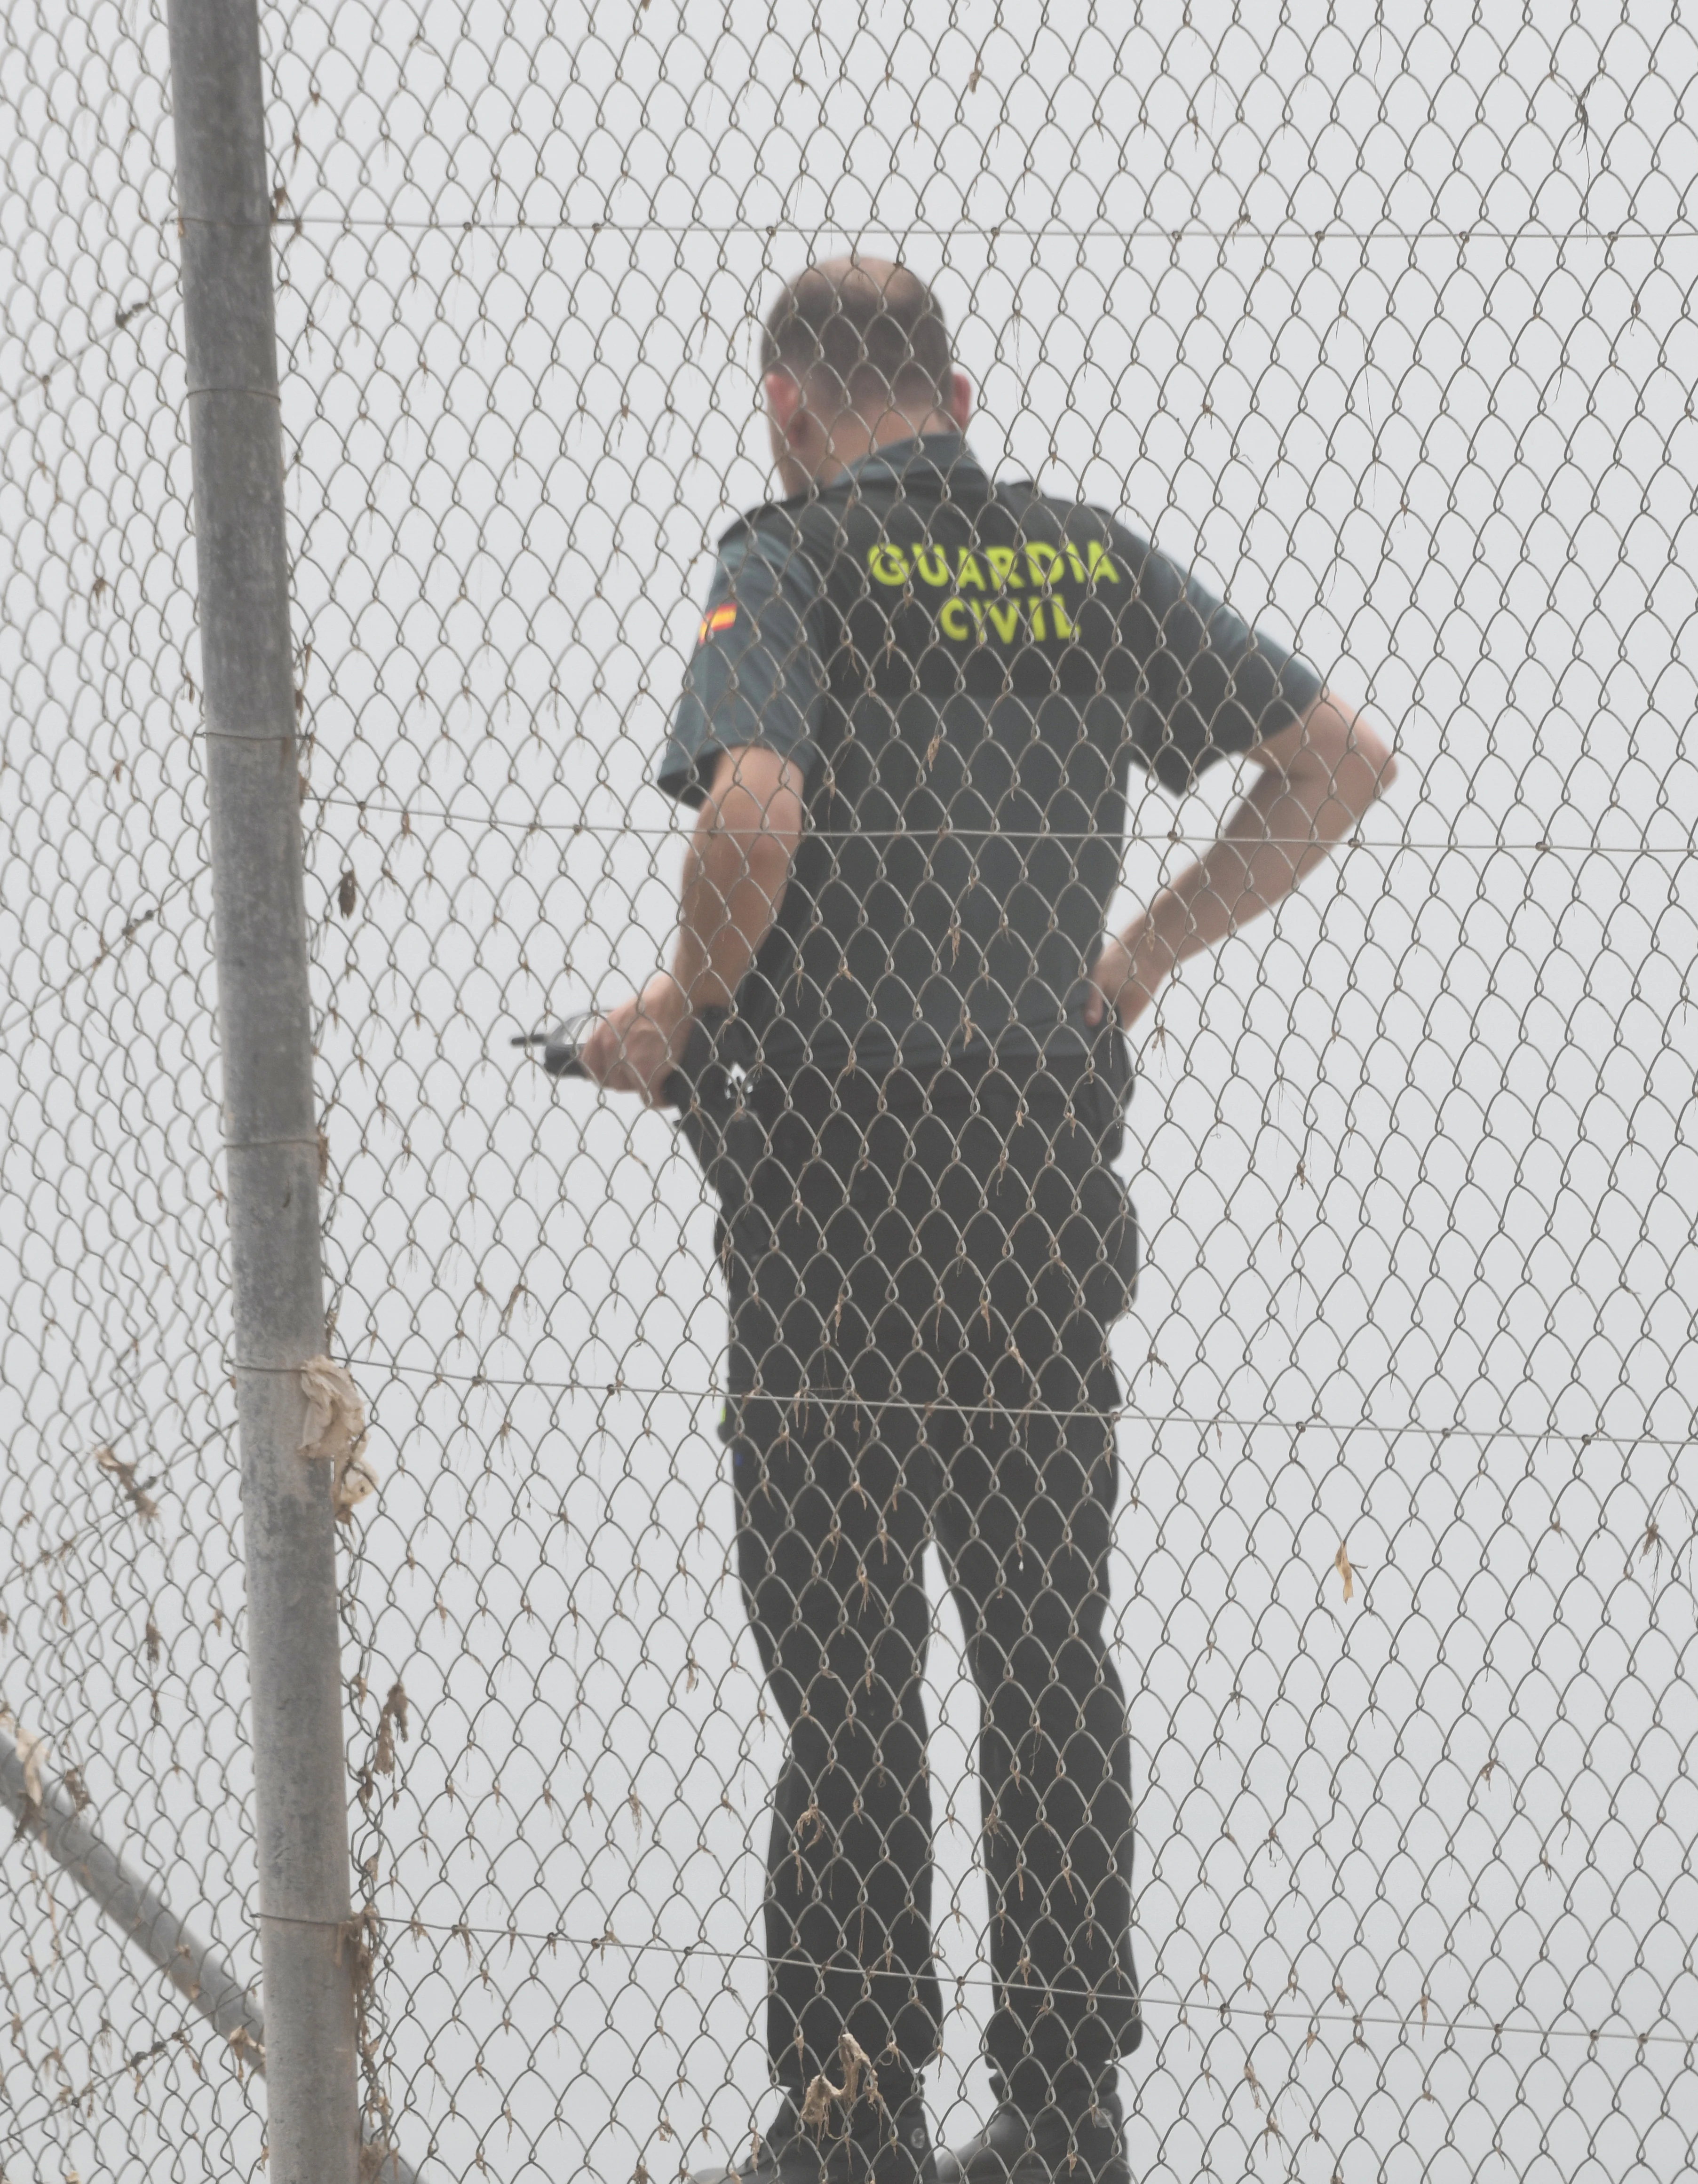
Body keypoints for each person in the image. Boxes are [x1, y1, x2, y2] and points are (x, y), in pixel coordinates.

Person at [572, 258, 1395, 2184]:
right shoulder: (1088, 567)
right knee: (1044, 1635)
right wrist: (1139, 956)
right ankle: (1062, 2114)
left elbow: (754, 812)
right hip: (1033, 1183)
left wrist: (678, 1009)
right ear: (956, 390)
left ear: (788, 405)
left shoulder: (785, 563)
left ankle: (854, 2101)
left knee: (844, 1640)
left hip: (831, 1188)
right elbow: (1342, 761)